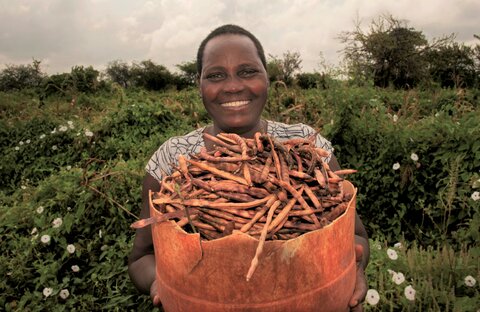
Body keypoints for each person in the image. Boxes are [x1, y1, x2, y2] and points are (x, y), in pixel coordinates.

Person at [128, 24, 370, 311]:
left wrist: (351, 268)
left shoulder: (309, 149)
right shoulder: (170, 161)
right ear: (199, 84)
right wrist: (166, 283)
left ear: (267, 78)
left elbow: (355, 237)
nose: (232, 86)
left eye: (247, 71)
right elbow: (141, 258)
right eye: (216, 75)